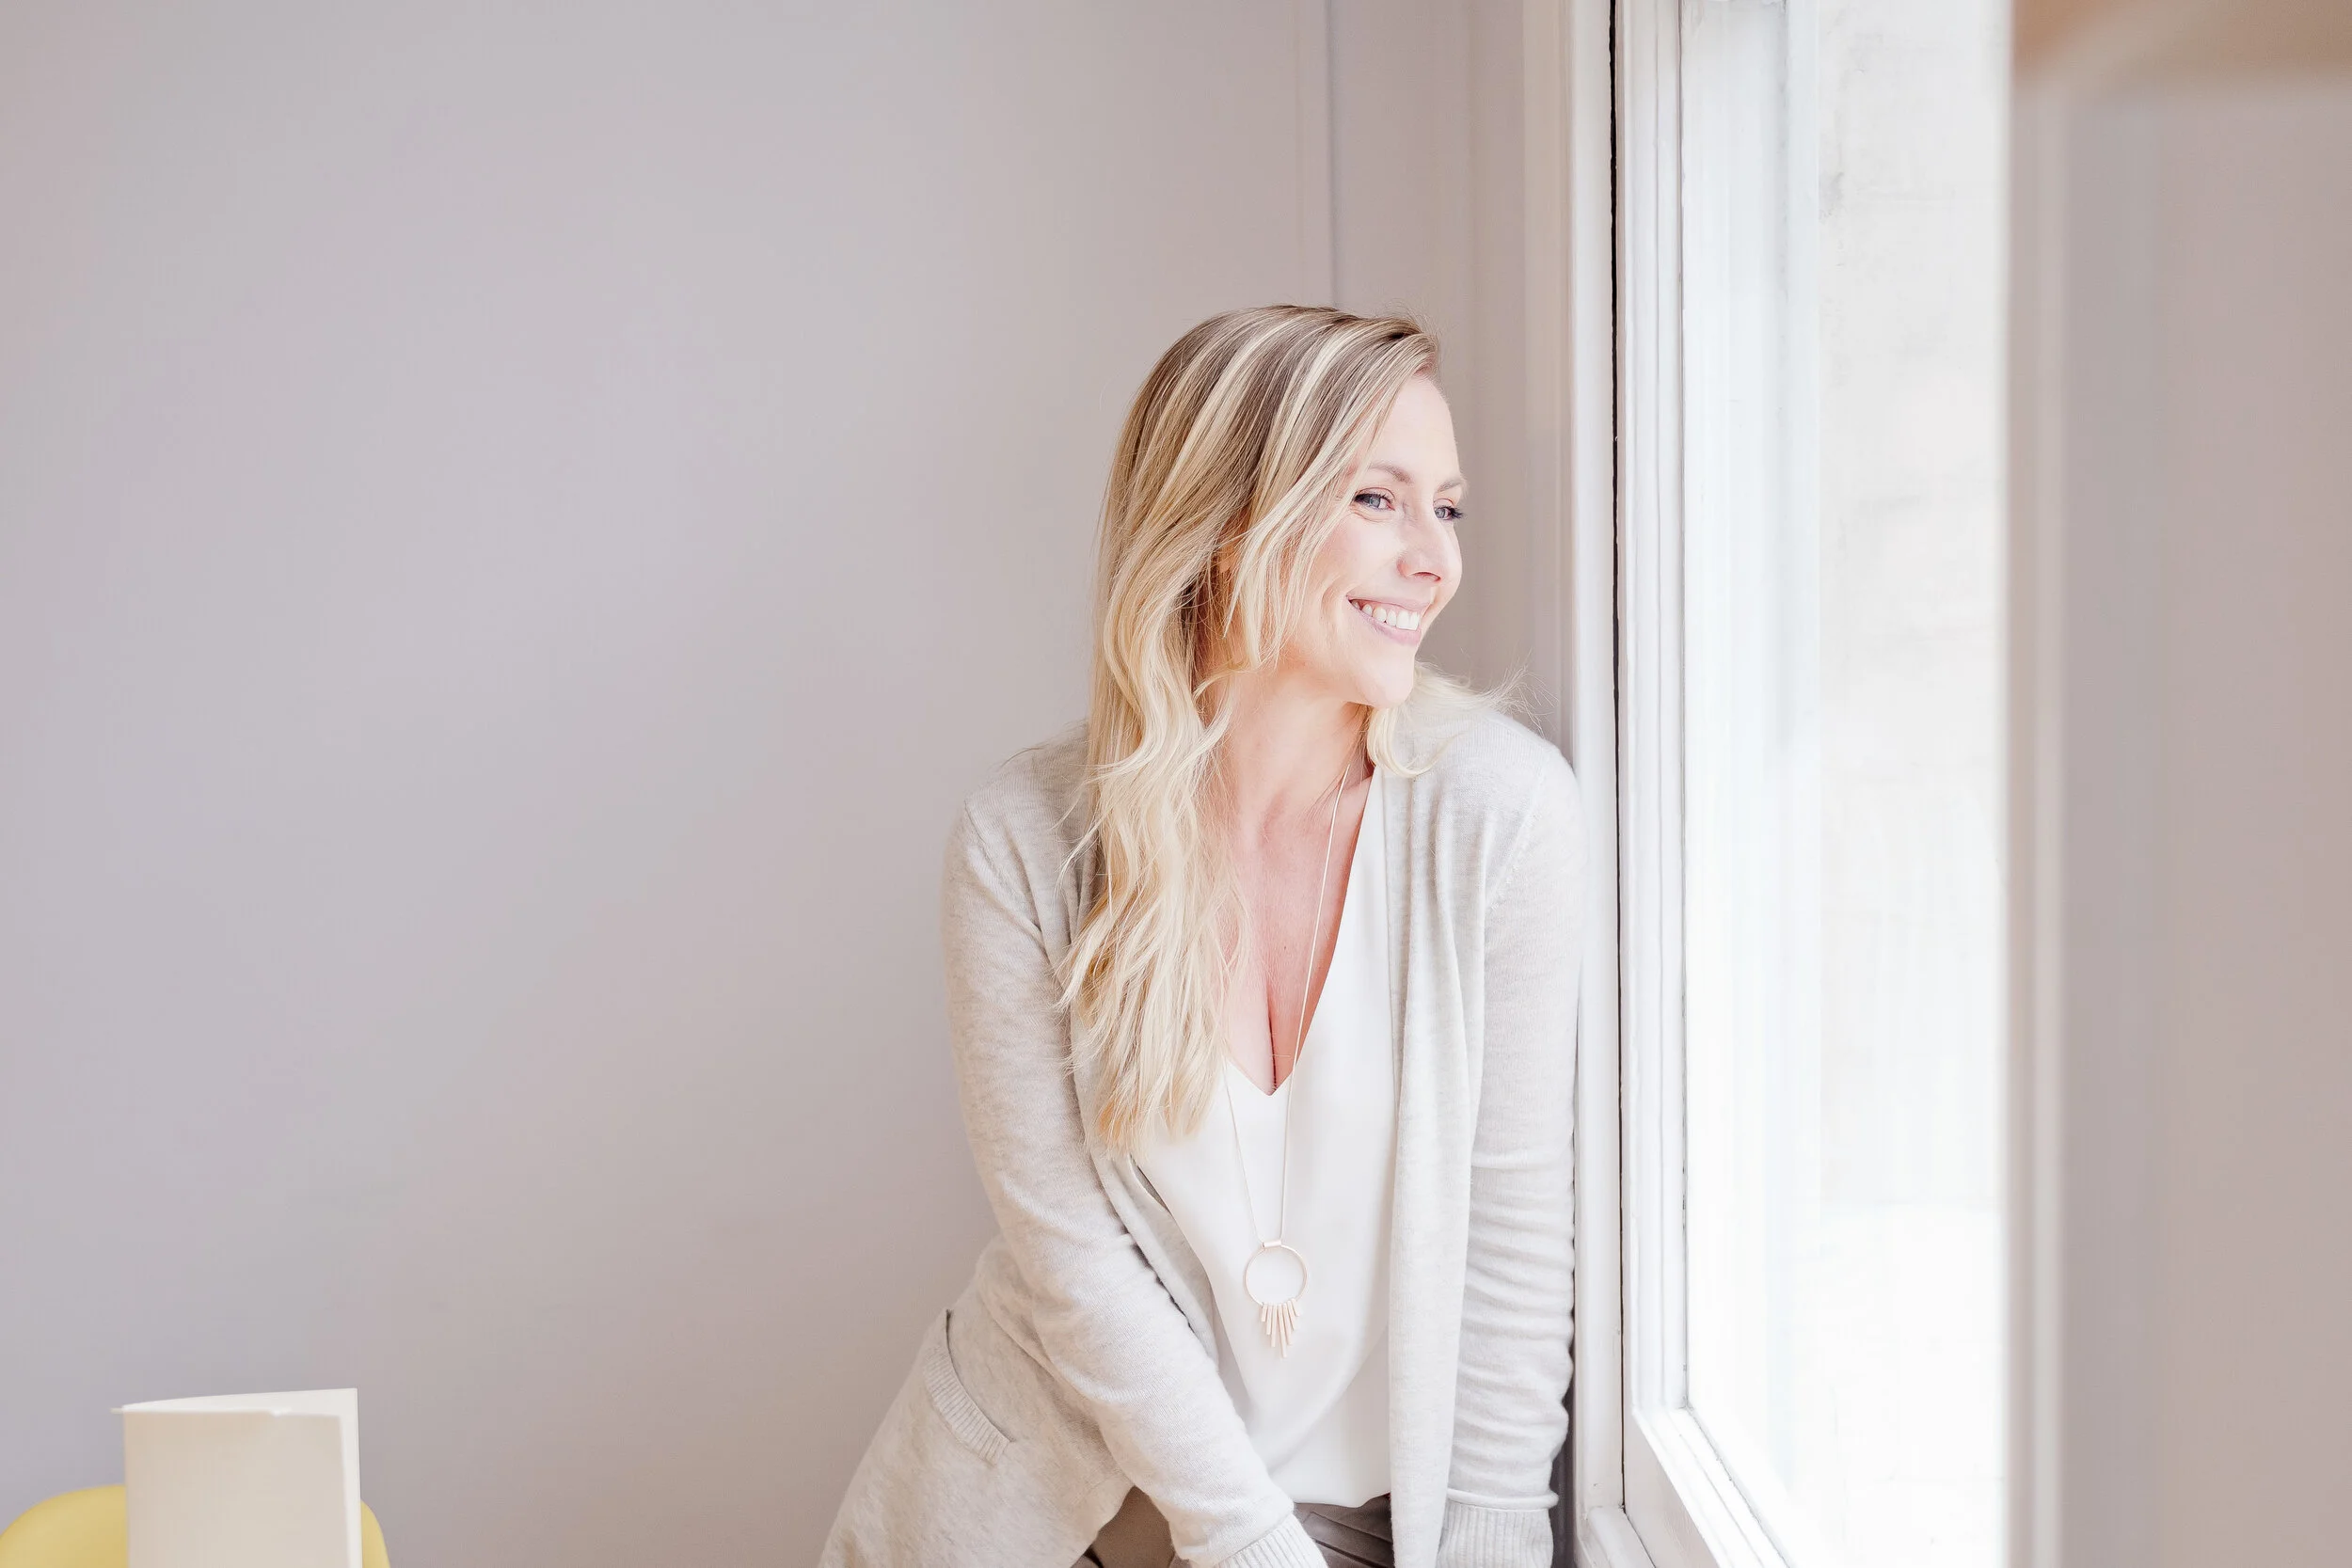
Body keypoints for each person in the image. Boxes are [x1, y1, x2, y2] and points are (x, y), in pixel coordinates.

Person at [820, 306, 1585, 1568]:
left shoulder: (1499, 819)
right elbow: (1070, 1257)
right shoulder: (1022, 844)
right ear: (1231, 526)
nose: (1434, 561)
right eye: (1379, 500)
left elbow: (1512, 1265)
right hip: (1051, 1512)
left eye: (1448, 508)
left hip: (1348, 1528)